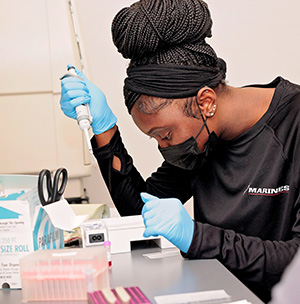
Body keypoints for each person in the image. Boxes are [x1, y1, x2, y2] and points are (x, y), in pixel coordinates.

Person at [60, 0, 300, 302]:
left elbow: (297, 263)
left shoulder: (294, 125)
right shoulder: (201, 139)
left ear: (205, 102)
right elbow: (140, 214)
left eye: (165, 135)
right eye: (155, 140)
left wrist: (197, 237)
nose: (164, 148)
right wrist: (104, 130)